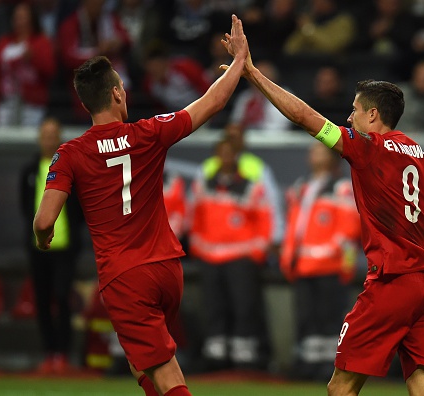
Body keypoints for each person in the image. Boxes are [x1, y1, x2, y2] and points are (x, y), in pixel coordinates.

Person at [221, 19, 424, 396]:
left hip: (392, 285)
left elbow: (305, 117)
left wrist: (252, 73)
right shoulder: (420, 156)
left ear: (373, 115)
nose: (349, 117)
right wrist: (416, 227)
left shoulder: (366, 147)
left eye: (354, 110)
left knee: (340, 388)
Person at [33, 15, 249, 396]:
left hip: (125, 277)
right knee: (141, 364)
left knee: (165, 374)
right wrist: (239, 61)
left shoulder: (70, 154)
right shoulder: (149, 132)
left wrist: (42, 236)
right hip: (167, 269)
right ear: (116, 94)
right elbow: (213, 101)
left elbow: (44, 218)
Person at [189, 138, 272, 371]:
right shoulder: (204, 184)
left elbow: (264, 219)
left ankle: (244, 357)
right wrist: (197, 246)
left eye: (230, 152)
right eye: (221, 153)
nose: (226, 157)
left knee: (243, 307)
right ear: (216, 156)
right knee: (214, 307)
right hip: (209, 256)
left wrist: (257, 250)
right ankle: (217, 356)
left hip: (241, 256)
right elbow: (194, 217)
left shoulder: (251, 186)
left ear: (237, 156)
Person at [281, 141, 360, 381]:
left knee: (329, 318)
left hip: (330, 265)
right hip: (304, 266)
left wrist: (341, 260)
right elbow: (294, 226)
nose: (312, 153)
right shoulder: (302, 187)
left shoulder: (342, 188)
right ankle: (307, 362)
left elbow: (350, 228)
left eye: (318, 150)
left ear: (333, 157)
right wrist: (289, 256)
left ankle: (329, 365)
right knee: (306, 318)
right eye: (312, 150)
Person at [20, 117, 84, 374]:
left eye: (53, 134)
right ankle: (49, 353)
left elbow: (78, 208)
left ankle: (63, 355)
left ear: (59, 137)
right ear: (39, 138)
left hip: (65, 249)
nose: (48, 139)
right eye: (45, 135)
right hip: (38, 249)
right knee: (43, 301)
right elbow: (25, 207)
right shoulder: (30, 171)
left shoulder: (70, 166)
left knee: (62, 297)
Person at [0, 2, 56, 126]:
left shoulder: (41, 42)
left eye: (23, 17)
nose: (19, 21)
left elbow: (50, 70)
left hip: (32, 104)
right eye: (16, 17)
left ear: (32, 19)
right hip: (6, 101)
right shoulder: (5, 42)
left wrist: (33, 58)